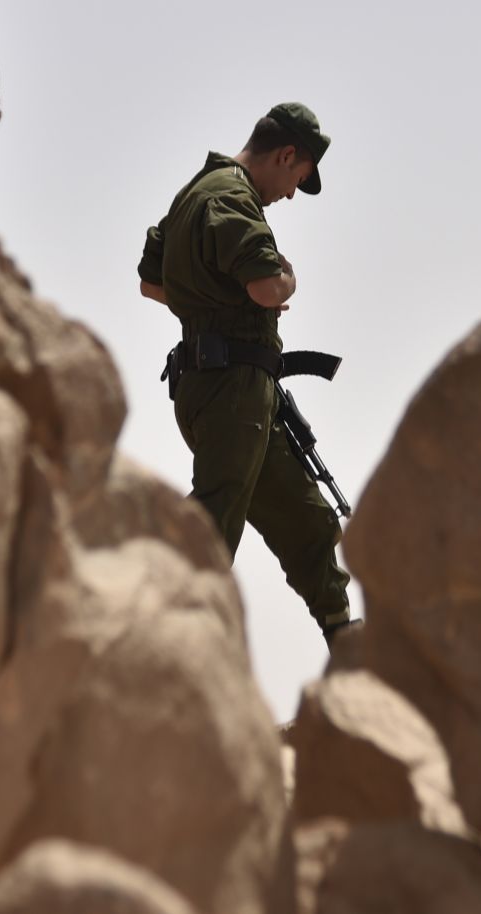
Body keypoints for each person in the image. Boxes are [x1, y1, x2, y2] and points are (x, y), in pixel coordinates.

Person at [136, 102, 357, 647]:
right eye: (295, 180)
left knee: (304, 516)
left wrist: (218, 300)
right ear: (285, 156)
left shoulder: (196, 191)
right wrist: (286, 280)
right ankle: (151, 641)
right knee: (215, 521)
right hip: (228, 387)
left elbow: (153, 282)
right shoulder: (233, 199)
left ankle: (345, 636)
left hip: (221, 383)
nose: (287, 196)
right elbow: (267, 285)